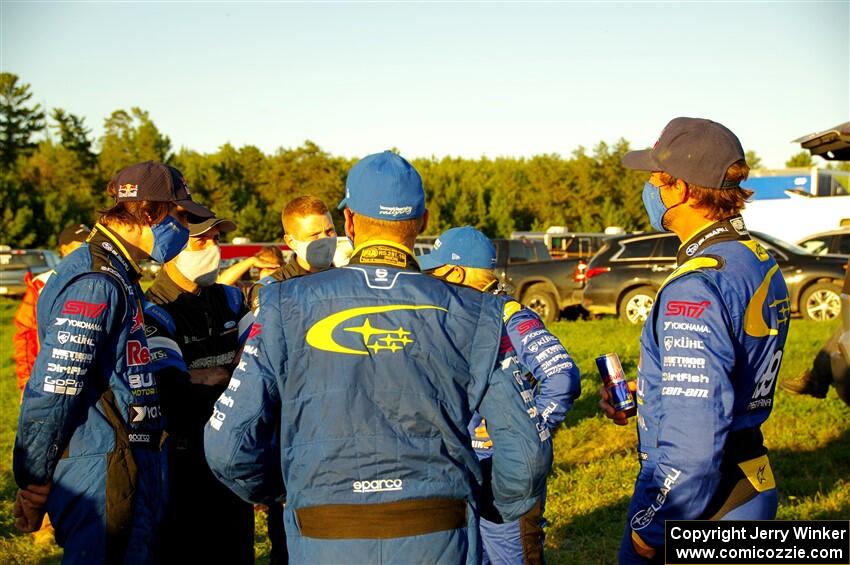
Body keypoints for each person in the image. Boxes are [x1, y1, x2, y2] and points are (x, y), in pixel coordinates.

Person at [204, 150, 552, 564]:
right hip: (439, 527)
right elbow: (527, 452)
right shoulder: (477, 311)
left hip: (323, 529)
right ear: (423, 221)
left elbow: (227, 444)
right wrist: (484, 502)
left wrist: (287, 489)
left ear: (348, 222)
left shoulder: (282, 304)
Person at [600, 118, 790, 564]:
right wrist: (648, 391)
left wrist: (656, 525)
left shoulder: (696, 283)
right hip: (750, 480)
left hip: (703, 501)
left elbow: (696, 439)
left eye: (653, 178)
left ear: (680, 189)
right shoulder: (754, 257)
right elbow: (724, 374)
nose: (647, 188)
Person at [13, 160, 212, 563]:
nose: (185, 230)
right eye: (180, 216)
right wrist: (32, 478)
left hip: (124, 463)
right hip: (104, 471)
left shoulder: (116, 272)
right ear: (151, 211)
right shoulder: (96, 282)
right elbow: (54, 387)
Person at [419, 225, 582, 565]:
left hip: (506, 473)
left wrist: (527, 432)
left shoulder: (510, 315)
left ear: (456, 272)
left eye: (436, 272)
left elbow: (561, 377)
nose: (431, 282)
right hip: (463, 472)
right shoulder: (454, 320)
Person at [143, 214, 256, 563]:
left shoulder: (231, 299)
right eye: (201, 241)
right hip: (178, 463)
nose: (213, 250)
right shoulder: (153, 308)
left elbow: (260, 368)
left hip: (232, 456)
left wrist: (204, 373)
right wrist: (233, 373)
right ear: (171, 247)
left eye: (217, 239)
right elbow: (174, 393)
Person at [13, 223, 90, 395]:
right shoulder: (41, 284)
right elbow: (26, 335)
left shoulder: (101, 279)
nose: (86, 249)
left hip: (92, 378)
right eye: (80, 244)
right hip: (50, 378)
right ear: (63, 249)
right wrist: (26, 381)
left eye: (89, 243)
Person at [245, 195, 340, 310]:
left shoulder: (349, 279)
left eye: (330, 231)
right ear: (291, 242)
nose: (325, 240)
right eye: (315, 235)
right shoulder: (270, 290)